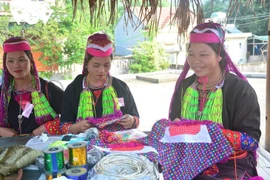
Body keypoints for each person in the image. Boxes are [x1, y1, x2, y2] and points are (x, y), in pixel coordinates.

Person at [169, 22, 261, 179]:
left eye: (203, 54)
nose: (195, 61)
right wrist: (175, 127)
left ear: (219, 55)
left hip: (229, 163)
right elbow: (174, 127)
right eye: (191, 54)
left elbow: (252, 142)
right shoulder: (185, 87)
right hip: (190, 160)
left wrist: (213, 133)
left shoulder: (240, 90)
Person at [60, 32, 140, 134]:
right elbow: (63, 126)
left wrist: (131, 121)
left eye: (106, 65)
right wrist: (76, 127)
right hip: (85, 143)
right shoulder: (74, 89)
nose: (102, 70)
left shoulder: (121, 87)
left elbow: (136, 119)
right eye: (96, 65)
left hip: (115, 142)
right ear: (87, 63)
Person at [0, 37, 63, 137]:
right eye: (10, 61)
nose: (16, 65)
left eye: (21, 60)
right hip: (11, 150)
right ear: (6, 65)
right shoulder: (2, 93)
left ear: (31, 62)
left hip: (44, 149)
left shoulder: (47, 89)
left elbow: (71, 116)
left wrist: (46, 127)